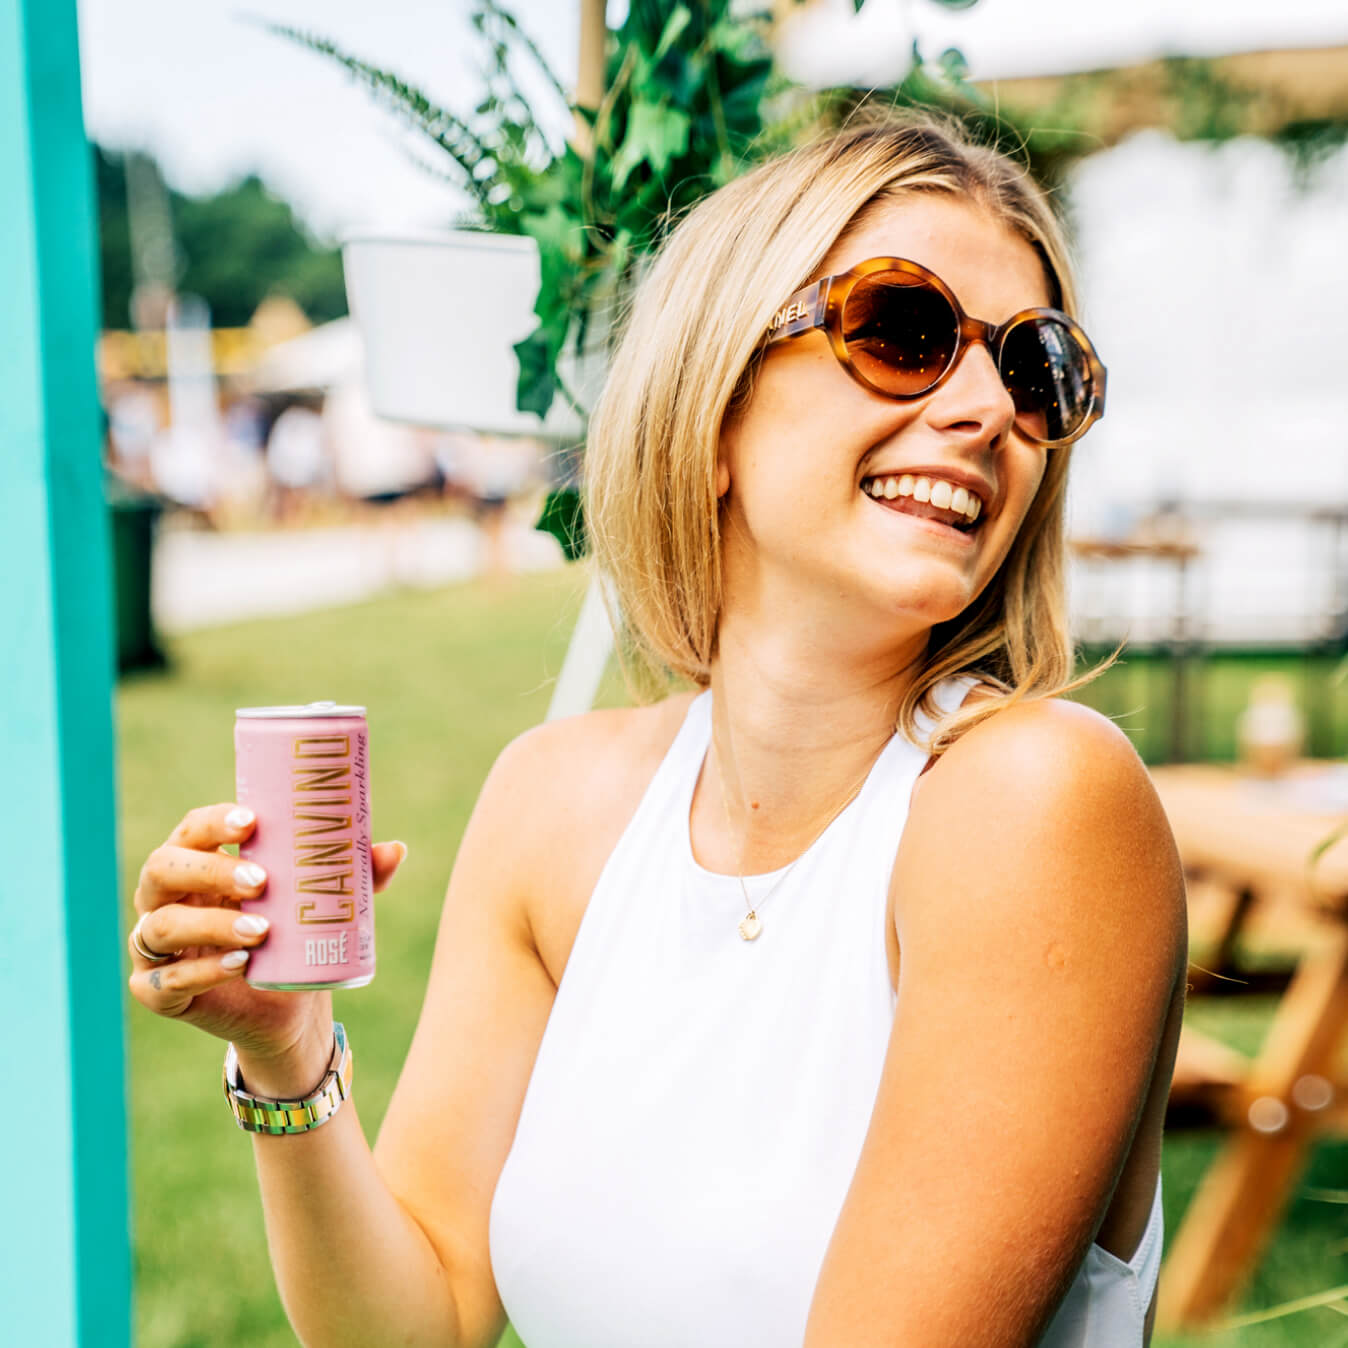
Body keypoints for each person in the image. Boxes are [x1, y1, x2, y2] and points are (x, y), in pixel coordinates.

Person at [127, 108, 1187, 1347]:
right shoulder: (554, 804)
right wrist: (287, 1054)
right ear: (715, 401)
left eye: (1032, 368)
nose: (984, 410)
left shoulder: (1031, 804)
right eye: (903, 330)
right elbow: (416, 1322)